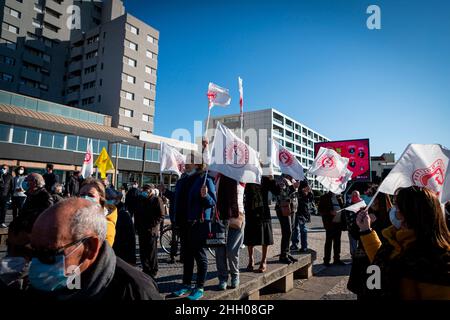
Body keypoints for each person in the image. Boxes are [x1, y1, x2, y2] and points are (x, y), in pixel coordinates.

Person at [26, 198, 162, 300]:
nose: (37, 262)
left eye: (49, 254)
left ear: (89, 248)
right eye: (33, 251)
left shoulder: (136, 291)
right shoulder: (47, 282)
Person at [356, 187, 450, 299]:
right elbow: (383, 261)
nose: (395, 212)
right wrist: (366, 230)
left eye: (399, 208)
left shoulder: (438, 261)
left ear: (414, 214)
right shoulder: (397, 238)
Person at [172, 158, 216, 300]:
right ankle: (186, 284)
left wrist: (206, 195)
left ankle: (199, 287)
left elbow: (212, 202)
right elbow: (179, 200)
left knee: (200, 256)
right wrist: (166, 192)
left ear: (197, 164)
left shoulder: (205, 178)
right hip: (184, 223)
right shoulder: (183, 180)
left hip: (199, 223)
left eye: (189, 161)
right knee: (187, 256)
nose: (185, 164)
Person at [214, 173, 246, 290]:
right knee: (219, 251)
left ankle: (235, 275)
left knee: (232, 251)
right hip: (220, 216)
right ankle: (222, 277)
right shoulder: (218, 176)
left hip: (237, 215)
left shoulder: (241, 175)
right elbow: (214, 196)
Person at [244, 175, 278, 273]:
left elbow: (276, 192)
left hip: (263, 211)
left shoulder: (265, 178)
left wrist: (272, 180)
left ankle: (263, 260)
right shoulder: (247, 175)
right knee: (250, 237)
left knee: (265, 237)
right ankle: (251, 260)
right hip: (250, 210)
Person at [134, 184, 165, 279]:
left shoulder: (156, 200)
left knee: (151, 252)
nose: (145, 192)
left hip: (151, 230)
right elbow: (137, 213)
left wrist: (152, 224)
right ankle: (145, 269)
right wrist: (136, 226)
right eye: (143, 190)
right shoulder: (140, 199)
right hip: (141, 229)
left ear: (151, 191)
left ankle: (153, 270)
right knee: (143, 252)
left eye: (147, 190)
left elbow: (161, 215)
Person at [79, 178, 117, 247]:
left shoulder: (107, 224)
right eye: (82, 194)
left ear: (101, 198)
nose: (85, 197)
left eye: (90, 195)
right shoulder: (75, 215)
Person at [275, 174, 299, 264]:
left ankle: (287, 253)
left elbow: (294, 195)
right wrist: (293, 187)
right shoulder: (281, 179)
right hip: (284, 208)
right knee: (287, 231)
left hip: (292, 209)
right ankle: (283, 255)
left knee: (290, 231)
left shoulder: (292, 180)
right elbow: (282, 194)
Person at [318, 191, 345, 266]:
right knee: (329, 242)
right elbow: (320, 210)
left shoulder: (339, 197)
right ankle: (326, 261)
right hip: (330, 224)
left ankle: (337, 259)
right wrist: (330, 212)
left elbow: (342, 208)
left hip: (338, 223)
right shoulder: (324, 197)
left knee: (337, 242)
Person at [111, 189, 136, 265]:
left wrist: (131, 259)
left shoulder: (123, 214)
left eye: (110, 199)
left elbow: (131, 238)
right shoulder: (108, 211)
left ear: (118, 199)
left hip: (120, 254)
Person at [291, 180, 315, 253]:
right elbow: (291, 194)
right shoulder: (293, 180)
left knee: (302, 228)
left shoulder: (304, 181)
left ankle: (304, 246)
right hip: (294, 209)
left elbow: (310, 198)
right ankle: (294, 244)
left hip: (302, 211)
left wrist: (308, 191)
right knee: (295, 228)